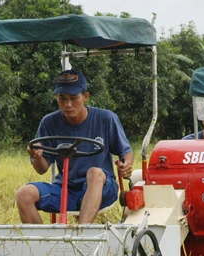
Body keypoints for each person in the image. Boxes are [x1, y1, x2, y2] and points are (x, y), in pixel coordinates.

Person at [16, 70, 133, 224]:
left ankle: (80, 236)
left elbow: (126, 152)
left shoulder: (106, 118)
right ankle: (44, 245)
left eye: (73, 98)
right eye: (62, 99)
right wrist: (36, 156)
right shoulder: (49, 122)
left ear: (85, 97)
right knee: (24, 194)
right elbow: (41, 168)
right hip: (67, 189)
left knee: (94, 173)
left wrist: (126, 164)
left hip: (102, 188)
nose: (67, 104)